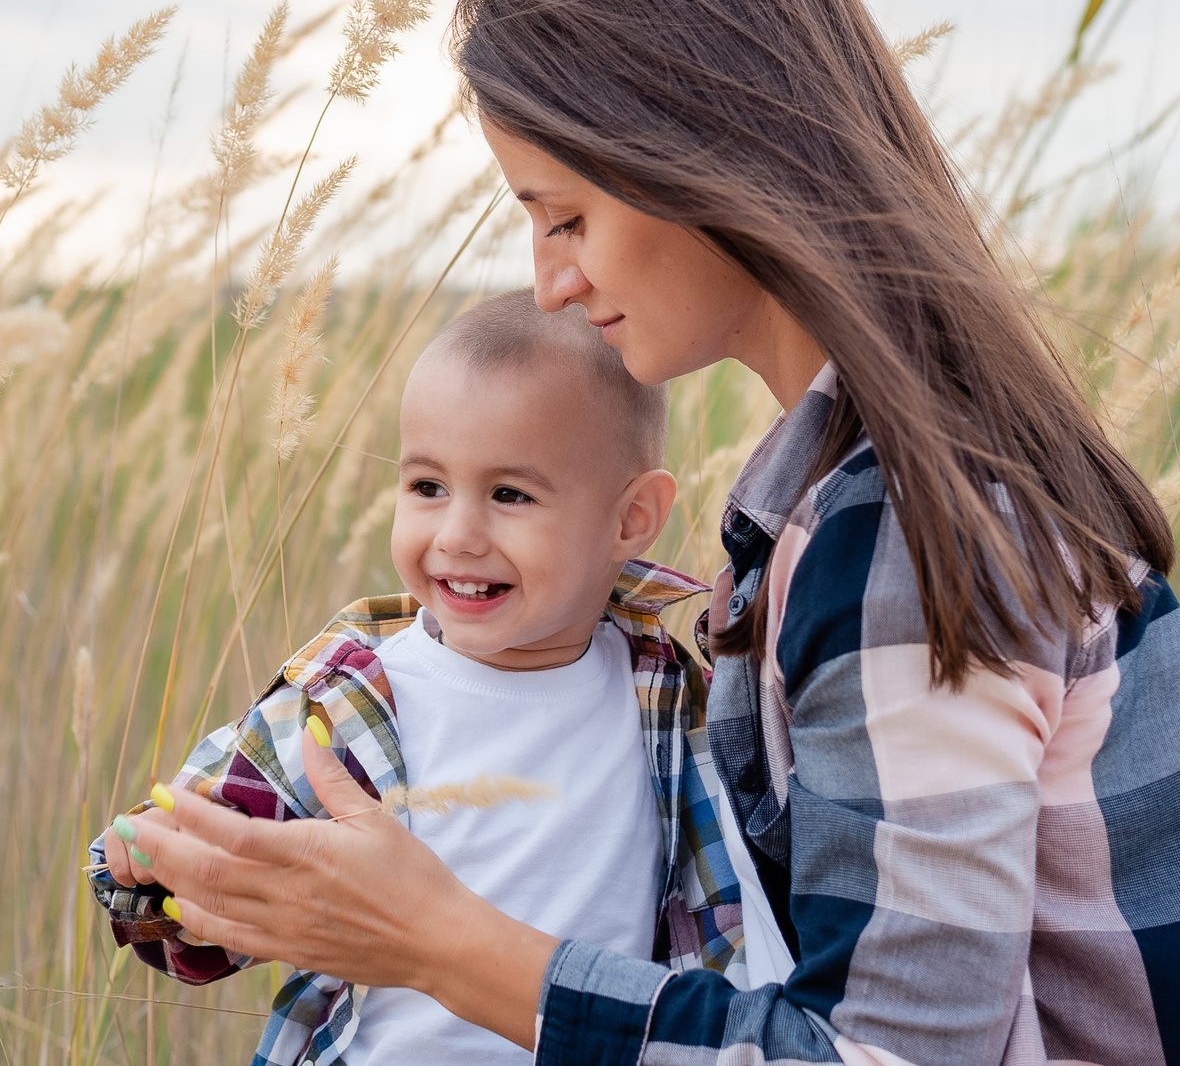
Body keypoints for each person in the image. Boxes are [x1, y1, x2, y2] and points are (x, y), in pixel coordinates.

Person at [115, 0, 1180, 1066]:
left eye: (566, 215)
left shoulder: (900, 540)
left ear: (699, 157)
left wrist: (441, 943)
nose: (550, 280)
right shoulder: (866, 496)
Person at [91, 290, 770, 1065]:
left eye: (510, 494)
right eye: (426, 486)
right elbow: (225, 883)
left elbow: (732, 921)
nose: (457, 534)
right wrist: (154, 869)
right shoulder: (347, 697)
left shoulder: (672, 699)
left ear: (632, 518)